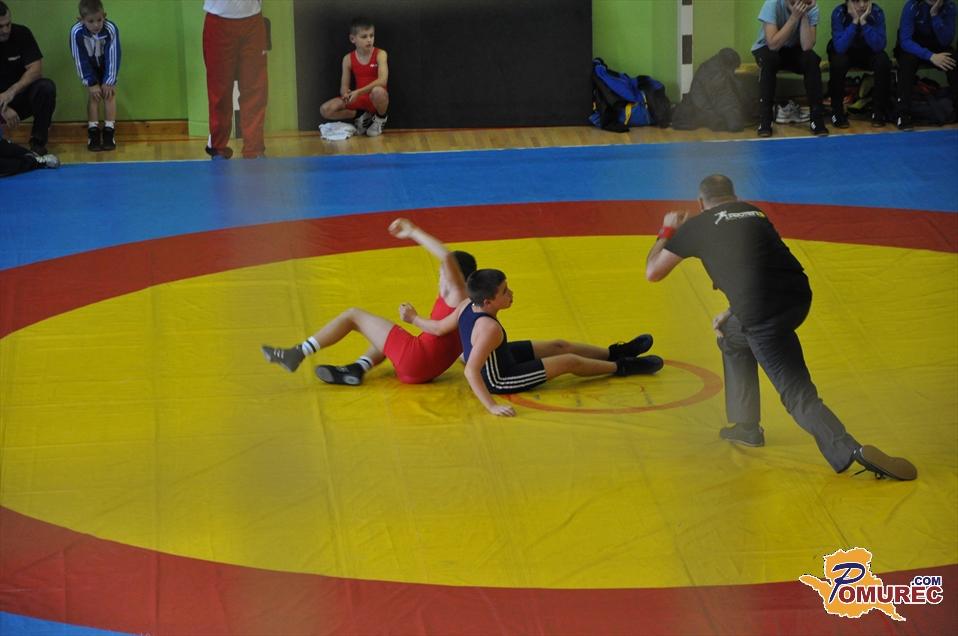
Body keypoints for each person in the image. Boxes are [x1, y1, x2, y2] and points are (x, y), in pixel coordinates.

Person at [644, 174, 917, 481]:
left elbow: (653, 272)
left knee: (797, 393)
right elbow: (762, 267)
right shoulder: (753, 213)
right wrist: (732, 312)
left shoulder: (696, 226)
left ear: (700, 202)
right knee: (731, 336)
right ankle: (746, 426)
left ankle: (850, 450)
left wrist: (668, 230)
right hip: (797, 299)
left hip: (764, 317)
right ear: (734, 196)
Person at [262, 218, 474, 385]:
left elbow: (446, 257)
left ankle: (297, 353)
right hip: (423, 373)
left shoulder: (457, 293)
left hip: (415, 361)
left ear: (457, 277)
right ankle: (357, 368)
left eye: (442, 273)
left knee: (353, 315)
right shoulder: (474, 304)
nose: (440, 278)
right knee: (385, 332)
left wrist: (413, 231)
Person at [456, 269, 662, 417]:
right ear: (487, 302)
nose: (511, 293)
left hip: (501, 356)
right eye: (504, 292)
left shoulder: (466, 304)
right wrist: (492, 406)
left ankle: (614, 352)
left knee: (559, 346)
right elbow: (471, 371)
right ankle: (623, 366)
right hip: (500, 378)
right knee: (569, 361)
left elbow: (441, 328)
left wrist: (425, 325)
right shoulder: (489, 329)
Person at [751, 0, 829, 137]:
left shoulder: (811, 7)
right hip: (767, 48)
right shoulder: (772, 4)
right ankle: (765, 120)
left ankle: (817, 119)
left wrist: (803, 15)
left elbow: (807, 46)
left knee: (812, 59)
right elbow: (773, 44)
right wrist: (794, 17)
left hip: (792, 49)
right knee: (770, 60)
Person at [202, 0, 268, 159]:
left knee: (255, 89)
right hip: (219, 22)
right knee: (220, 91)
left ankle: (254, 148)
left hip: (253, 21)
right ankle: (218, 146)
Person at [0, 1, 56, 155]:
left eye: (8, 24)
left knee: (46, 88)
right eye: (0, 26)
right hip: (1, 104)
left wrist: (11, 92)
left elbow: (36, 70)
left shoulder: (22, 33)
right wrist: (2, 107)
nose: (5, 30)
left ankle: (38, 143)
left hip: (17, 97)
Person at [319, 17, 389, 137]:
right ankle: (360, 115)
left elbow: (382, 81)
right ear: (353, 39)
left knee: (378, 91)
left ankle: (380, 119)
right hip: (358, 99)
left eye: (371, 36)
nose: (369, 40)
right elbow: (344, 87)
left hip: (375, 98)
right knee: (325, 109)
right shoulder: (347, 59)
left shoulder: (380, 54)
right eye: (364, 36)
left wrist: (358, 92)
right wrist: (346, 94)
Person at [827, 0, 892, 127]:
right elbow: (840, 48)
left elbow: (879, 46)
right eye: (856, 1)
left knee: (883, 61)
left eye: (866, 0)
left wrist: (863, 22)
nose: (862, 5)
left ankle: (879, 112)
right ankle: (837, 112)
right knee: (838, 62)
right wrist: (854, 21)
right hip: (846, 51)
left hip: (868, 50)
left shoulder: (877, 12)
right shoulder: (839, 13)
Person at [894, 0, 957, 130]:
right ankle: (903, 115)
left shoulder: (949, 6)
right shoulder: (912, 6)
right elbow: (905, 41)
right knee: (906, 62)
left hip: (937, 46)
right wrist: (930, 56)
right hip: (913, 48)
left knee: (953, 59)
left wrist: (935, 15)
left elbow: (946, 41)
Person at [70, 0, 121, 152]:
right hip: (89, 67)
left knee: (109, 94)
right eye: (91, 21)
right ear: (81, 20)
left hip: (106, 65)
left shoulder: (110, 28)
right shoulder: (76, 32)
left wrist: (109, 80)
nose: (96, 25)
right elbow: (79, 58)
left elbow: (114, 54)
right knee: (94, 96)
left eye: (99, 20)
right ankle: (93, 132)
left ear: (104, 16)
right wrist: (91, 82)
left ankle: (109, 131)